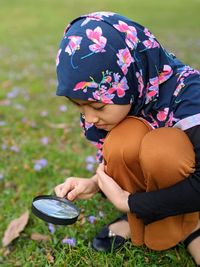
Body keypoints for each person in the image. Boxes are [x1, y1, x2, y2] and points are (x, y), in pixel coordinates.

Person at [54, 12, 200, 265]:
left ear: (130, 76)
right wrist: (94, 183)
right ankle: (142, 219)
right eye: (79, 106)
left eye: (97, 107)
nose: (89, 118)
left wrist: (128, 202)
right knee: (124, 139)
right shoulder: (124, 99)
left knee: (162, 147)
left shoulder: (190, 97)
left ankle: (191, 223)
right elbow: (126, 159)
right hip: (145, 198)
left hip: (192, 196)